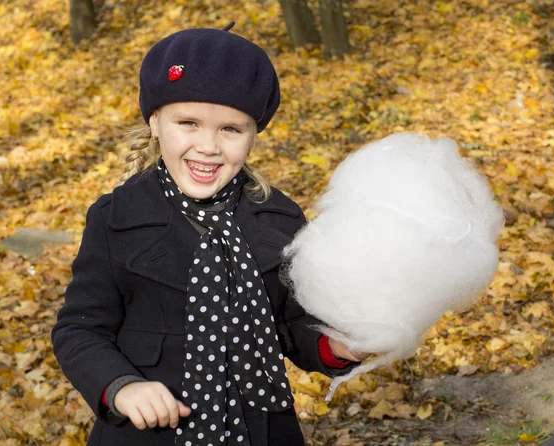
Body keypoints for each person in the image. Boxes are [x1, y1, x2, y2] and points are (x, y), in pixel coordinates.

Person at [51, 22, 370, 446]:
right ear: (154, 122)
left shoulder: (279, 218)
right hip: (150, 434)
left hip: (263, 430)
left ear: (253, 135)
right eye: (188, 123)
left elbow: (294, 322)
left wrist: (334, 346)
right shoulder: (117, 218)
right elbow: (80, 330)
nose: (208, 146)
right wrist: (122, 387)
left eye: (230, 129)